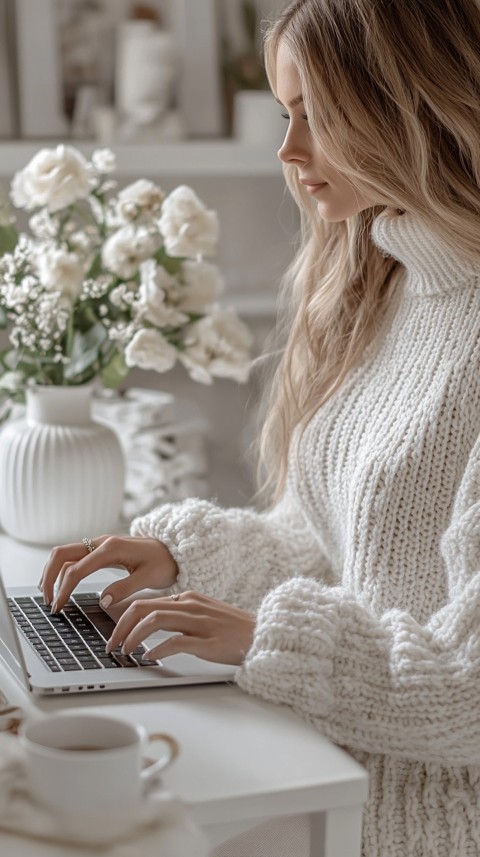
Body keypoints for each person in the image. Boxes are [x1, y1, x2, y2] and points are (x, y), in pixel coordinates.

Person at [41, 0, 480, 854]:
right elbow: (333, 542)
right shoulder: (387, 287)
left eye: (319, 114)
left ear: (411, 106)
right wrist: (183, 560)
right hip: (326, 772)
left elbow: (469, 688)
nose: (288, 150)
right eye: (287, 114)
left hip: (418, 827)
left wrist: (262, 637)